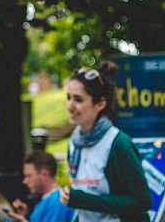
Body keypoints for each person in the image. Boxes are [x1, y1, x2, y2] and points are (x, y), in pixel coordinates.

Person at [59, 61, 152, 221]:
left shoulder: (119, 144)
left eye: (78, 100)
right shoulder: (74, 142)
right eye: (68, 98)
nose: (70, 106)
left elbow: (142, 202)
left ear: (100, 104)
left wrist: (82, 200)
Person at [6, 151, 75, 222]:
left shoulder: (57, 202)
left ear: (45, 175)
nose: (24, 181)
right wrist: (25, 215)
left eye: (29, 176)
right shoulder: (48, 200)